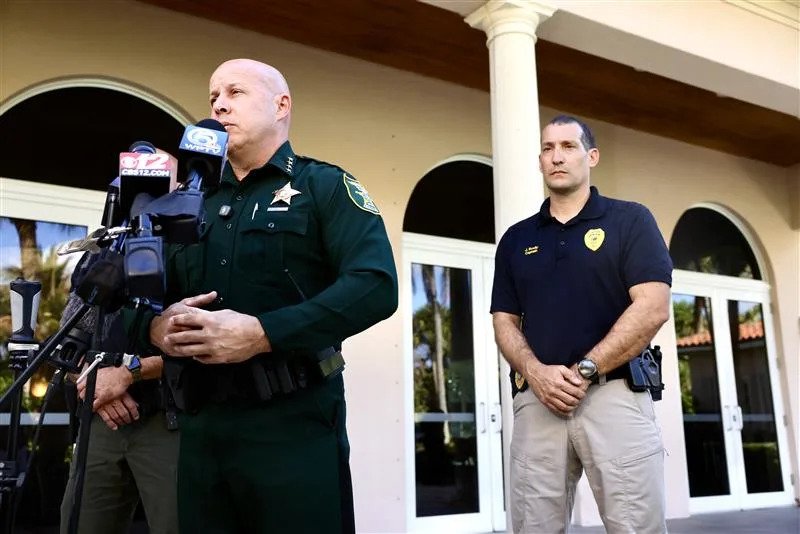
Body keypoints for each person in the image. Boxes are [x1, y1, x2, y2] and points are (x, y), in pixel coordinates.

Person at [127, 58, 398, 534]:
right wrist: (154, 327)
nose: (219, 104)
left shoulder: (323, 186)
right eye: (213, 96)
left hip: (294, 425)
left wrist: (263, 333)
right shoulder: (189, 204)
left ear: (281, 105)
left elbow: (376, 285)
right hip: (200, 427)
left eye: (235, 92)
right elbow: (131, 300)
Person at [490, 115, 673, 534]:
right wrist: (536, 374)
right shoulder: (517, 240)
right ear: (540, 161)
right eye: (548, 148)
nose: (557, 157)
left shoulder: (630, 221)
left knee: (636, 527)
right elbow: (504, 320)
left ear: (591, 156)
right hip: (538, 402)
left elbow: (653, 307)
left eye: (569, 147)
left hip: (615, 396)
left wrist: (585, 370)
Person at [60, 249, 179, 534]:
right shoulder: (108, 246)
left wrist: (128, 374)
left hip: (170, 419)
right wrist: (95, 384)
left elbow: (206, 345)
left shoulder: (192, 240)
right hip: (102, 420)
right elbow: (66, 343)